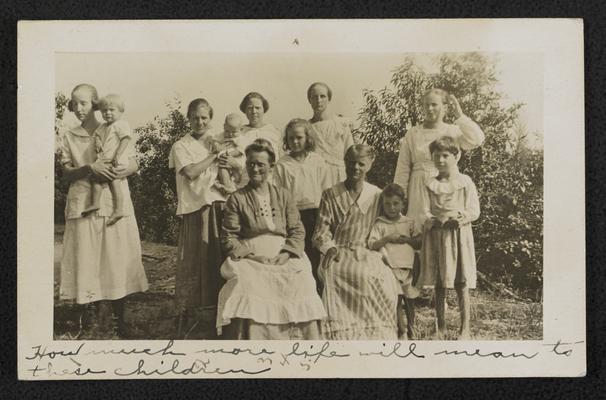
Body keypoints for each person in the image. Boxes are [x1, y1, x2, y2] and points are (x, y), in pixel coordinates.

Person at [59, 83, 148, 338]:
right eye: (75, 103)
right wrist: (90, 168)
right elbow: (65, 172)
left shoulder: (112, 126)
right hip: (84, 202)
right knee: (87, 257)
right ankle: (89, 320)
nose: (79, 108)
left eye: (84, 103)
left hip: (113, 200)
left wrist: (120, 170)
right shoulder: (69, 135)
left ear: (96, 104)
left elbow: (132, 162)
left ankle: (120, 319)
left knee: (115, 256)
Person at [216, 139, 326, 340]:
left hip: (283, 251)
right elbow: (229, 236)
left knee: (301, 279)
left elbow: (297, 230)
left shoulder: (283, 195)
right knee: (249, 282)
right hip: (250, 255)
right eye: (250, 164)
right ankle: (258, 342)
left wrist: (286, 253)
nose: (255, 169)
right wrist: (252, 256)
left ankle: (300, 341)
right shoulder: (237, 198)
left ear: (272, 167)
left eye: (261, 164)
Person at [313, 144, 400, 340]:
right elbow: (321, 232)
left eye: (361, 164)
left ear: (370, 164)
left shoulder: (377, 195)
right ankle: (342, 332)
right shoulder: (331, 194)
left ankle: (375, 332)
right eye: (351, 163)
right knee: (336, 272)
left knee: (375, 275)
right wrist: (329, 248)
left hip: (368, 249)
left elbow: (387, 224)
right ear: (344, 163)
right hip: (339, 250)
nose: (355, 168)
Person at [168, 98, 227, 337]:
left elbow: (234, 165)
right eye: (195, 118)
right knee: (196, 261)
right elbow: (191, 172)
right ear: (188, 119)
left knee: (218, 257)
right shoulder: (180, 145)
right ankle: (192, 318)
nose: (200, 122)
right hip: (195, 207)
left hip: (220, 205)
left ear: (210, 118)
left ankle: (221, 315)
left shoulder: (219, 140)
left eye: (204, 117)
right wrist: (214, 157)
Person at [393, 88, 484, 226]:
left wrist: (460, 116)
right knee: (420, 230)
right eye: (426, 105)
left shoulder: (453, 130)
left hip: (448, 188)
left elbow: (476, 140)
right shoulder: (413, 133)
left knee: (447, 228)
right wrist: (399, 196)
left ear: (445, 107)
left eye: (434, 104)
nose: (429, 109)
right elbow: (403, 167)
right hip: (419, 187)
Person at [419, 136, 480, 340]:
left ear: (456, 156)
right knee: (440, 282)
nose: (441, 160)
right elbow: (424, 211)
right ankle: (441, 327)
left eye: (446, 155)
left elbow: (474, 210)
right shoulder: (429, 183)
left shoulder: (464, 182)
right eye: (437, 156)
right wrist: (433, 220)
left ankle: (465, 328)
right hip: (437, 236)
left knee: (461, 281)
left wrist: (461, 217)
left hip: (458, 236)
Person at [273, 118, 330, 294]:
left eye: (299, 137)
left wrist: (325, 217)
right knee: (298, 254)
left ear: (308, 138)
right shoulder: (282, 164)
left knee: (316, 255)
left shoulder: (318, 161)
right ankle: (301, 294)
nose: (295, 142)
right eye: (291, 138)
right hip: (294, 215)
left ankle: (321, 294)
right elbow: (279, 194)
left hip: (317, 213)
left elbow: (326, 190)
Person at [368, 183, 421, 340]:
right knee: (396, 300)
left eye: (396, 203)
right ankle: (401, 330)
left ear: (403, 204)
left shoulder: (408, 222)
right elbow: (372, 244)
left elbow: (419, 242)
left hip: (408, 268)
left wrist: (407, 240)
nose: (391, 207)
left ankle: (412, 329)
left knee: (410, 299)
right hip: (390, 268)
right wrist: (387, 239)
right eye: (387, 204)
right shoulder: (380, 223)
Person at [81, 94, 132, 226]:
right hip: (105, 160)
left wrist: (118, 155)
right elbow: (97, 135)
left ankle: (119, 209)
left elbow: (125, 139)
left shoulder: (121, 124)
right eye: (104, 110)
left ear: (121, 111)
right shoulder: (103, 127)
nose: (107, 113)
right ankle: (95, 203)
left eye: (112, 110)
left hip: (115, 160)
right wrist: (98, 141)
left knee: (114, 181)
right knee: (95, 178)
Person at [307, 82, 355, 187]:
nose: (319, 100)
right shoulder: (306, 128)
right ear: (309, 100)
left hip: (339, 176)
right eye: (314, 97)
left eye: (322, 96)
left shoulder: (341, 124)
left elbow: (351, 153)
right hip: (314, 178)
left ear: (329, 99)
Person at [210, 112, 253, 195]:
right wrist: (216, 145)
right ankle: (226, 185)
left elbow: (240, 151)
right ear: (224, 126)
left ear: (240, 130)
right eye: (227, 131)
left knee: (236, 175)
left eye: (233, 132)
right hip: (223, 160)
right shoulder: (222, 135)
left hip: (236, 160)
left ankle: (231, 187)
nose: (230, 134)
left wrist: (229, 154)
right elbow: (214, 140)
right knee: (221, 169)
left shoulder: (241, 138)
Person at [239, 92, 283, 158]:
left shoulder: (275, 132)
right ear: (245, 111)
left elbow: (282, 156)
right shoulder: (238, 132)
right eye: (250, 108)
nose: (254, 111)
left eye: (257, 108)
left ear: (263, 109)